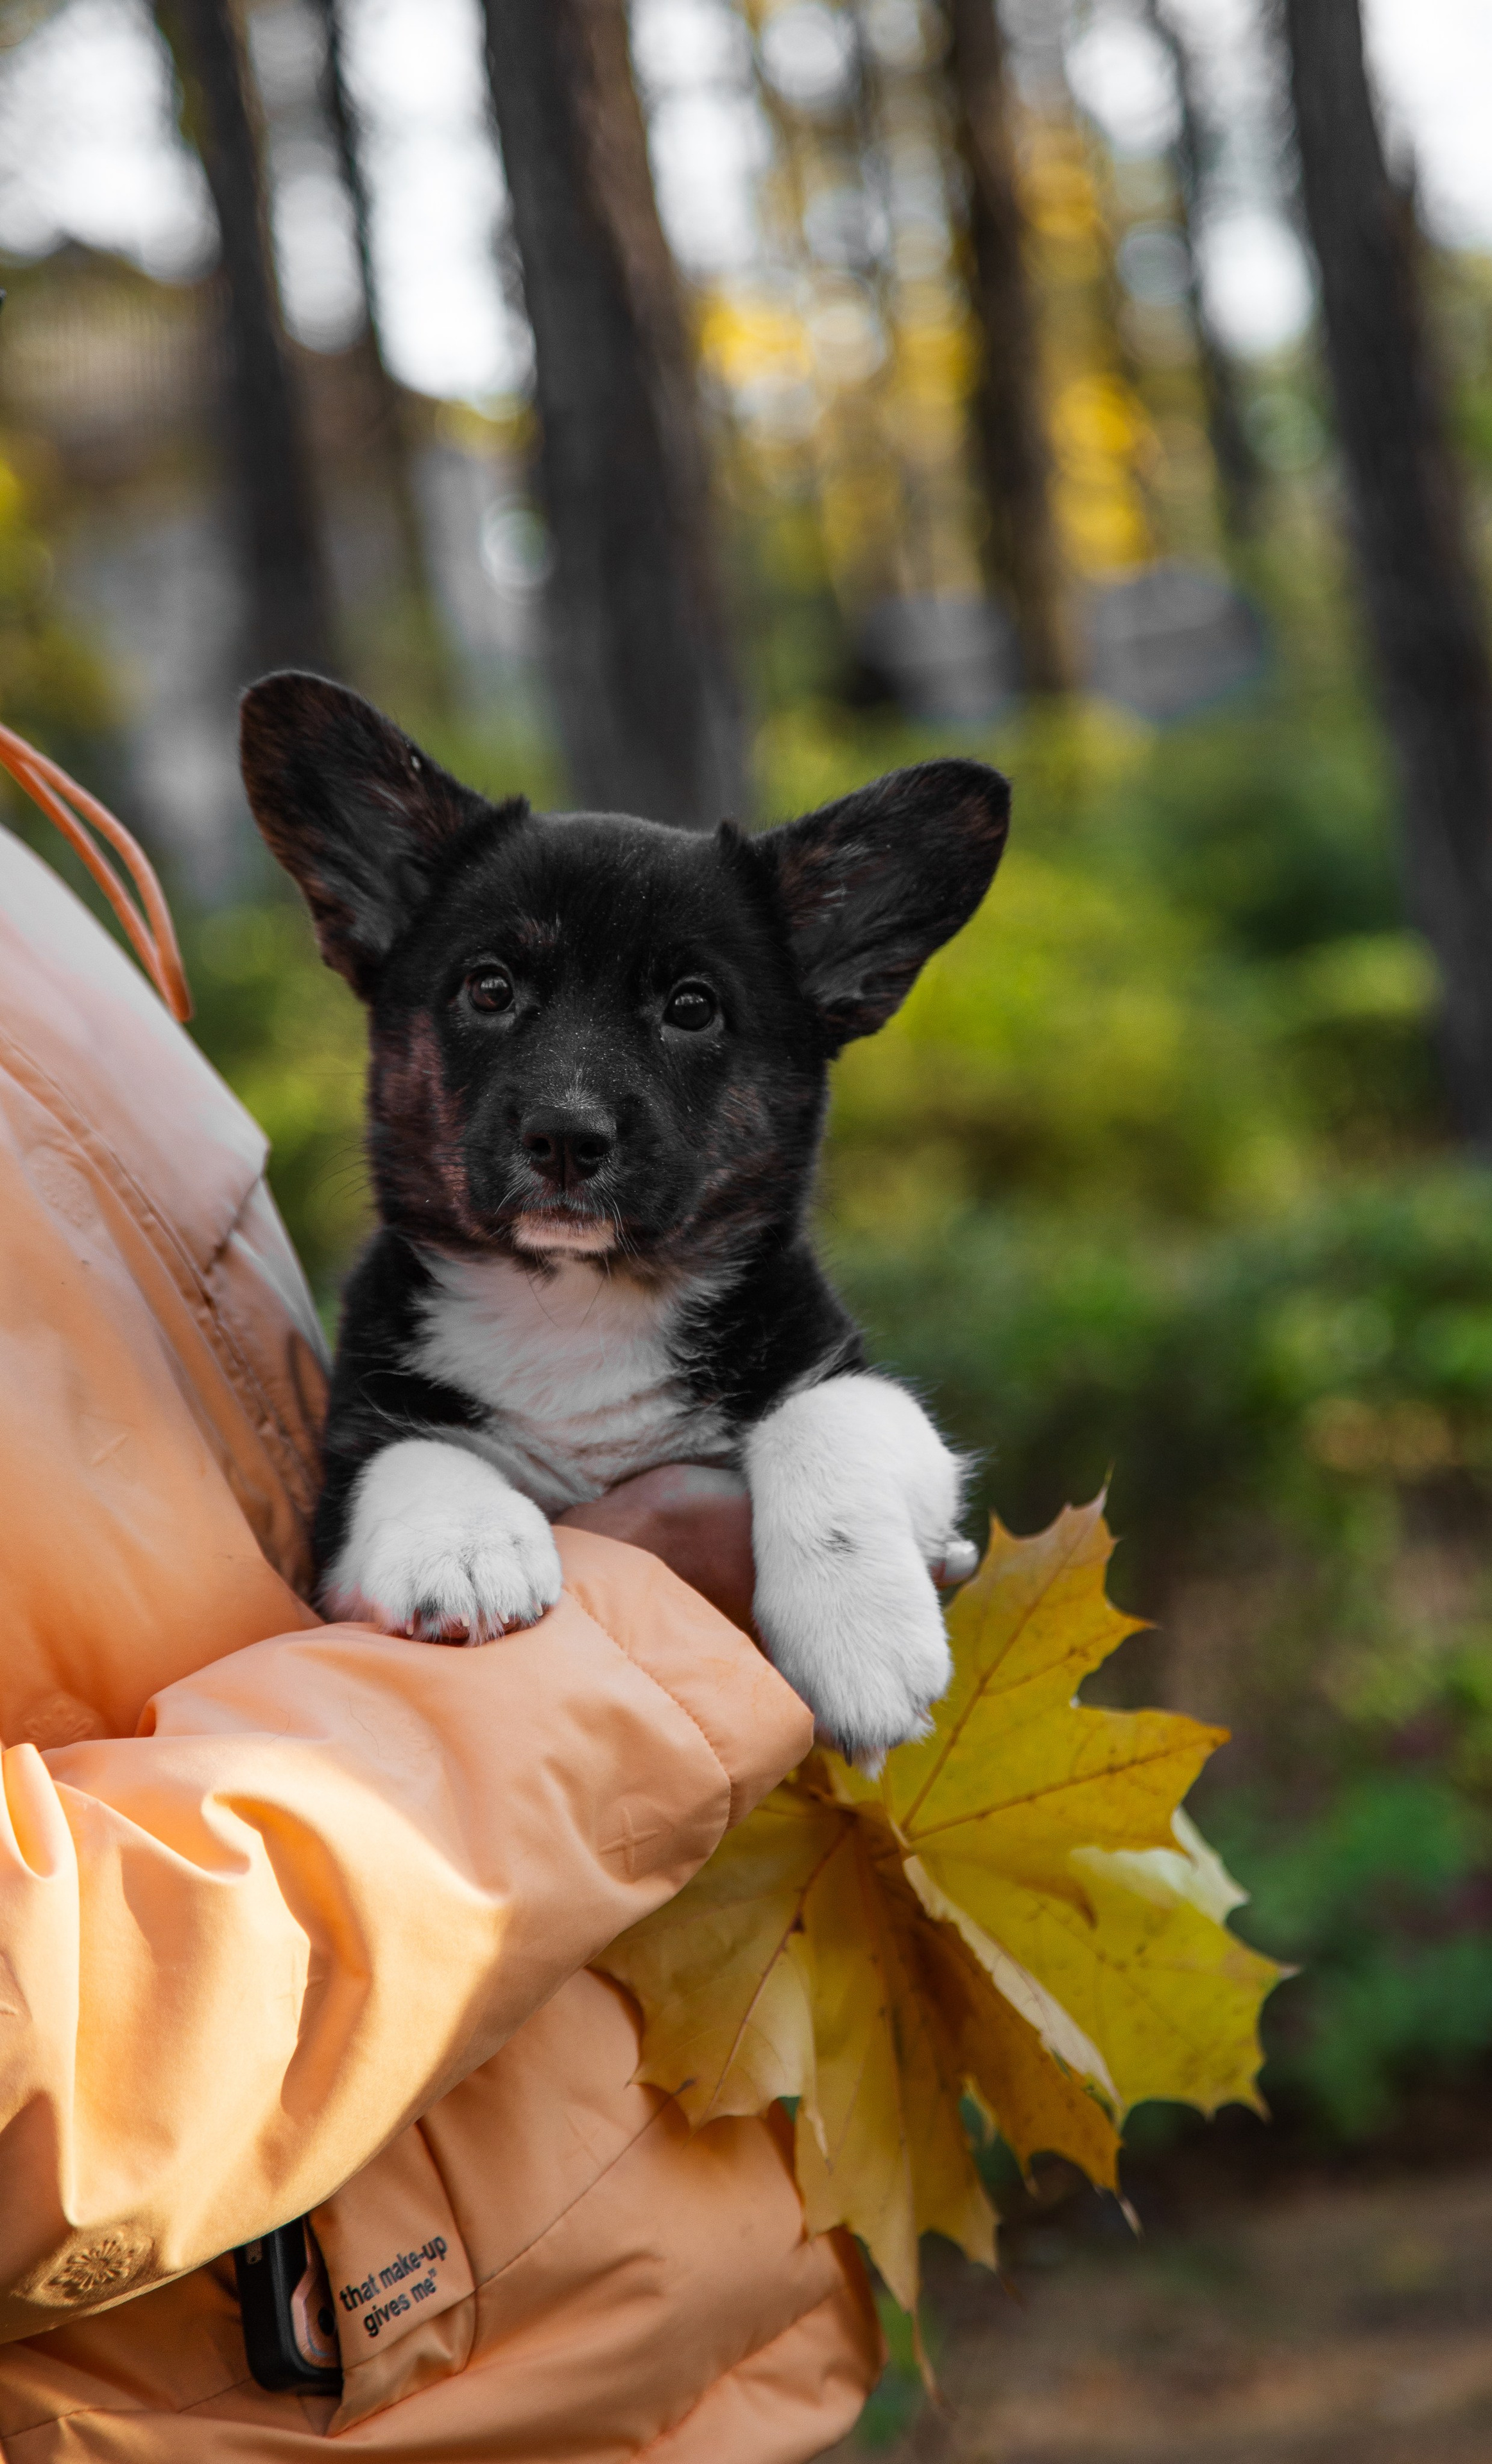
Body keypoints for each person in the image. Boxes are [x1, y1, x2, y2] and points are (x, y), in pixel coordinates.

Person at [0, 791, 882, 2457]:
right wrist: (629, 1651)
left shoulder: (23, 874)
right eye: (494, 996)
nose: (565, 1100)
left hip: (668, 2359)